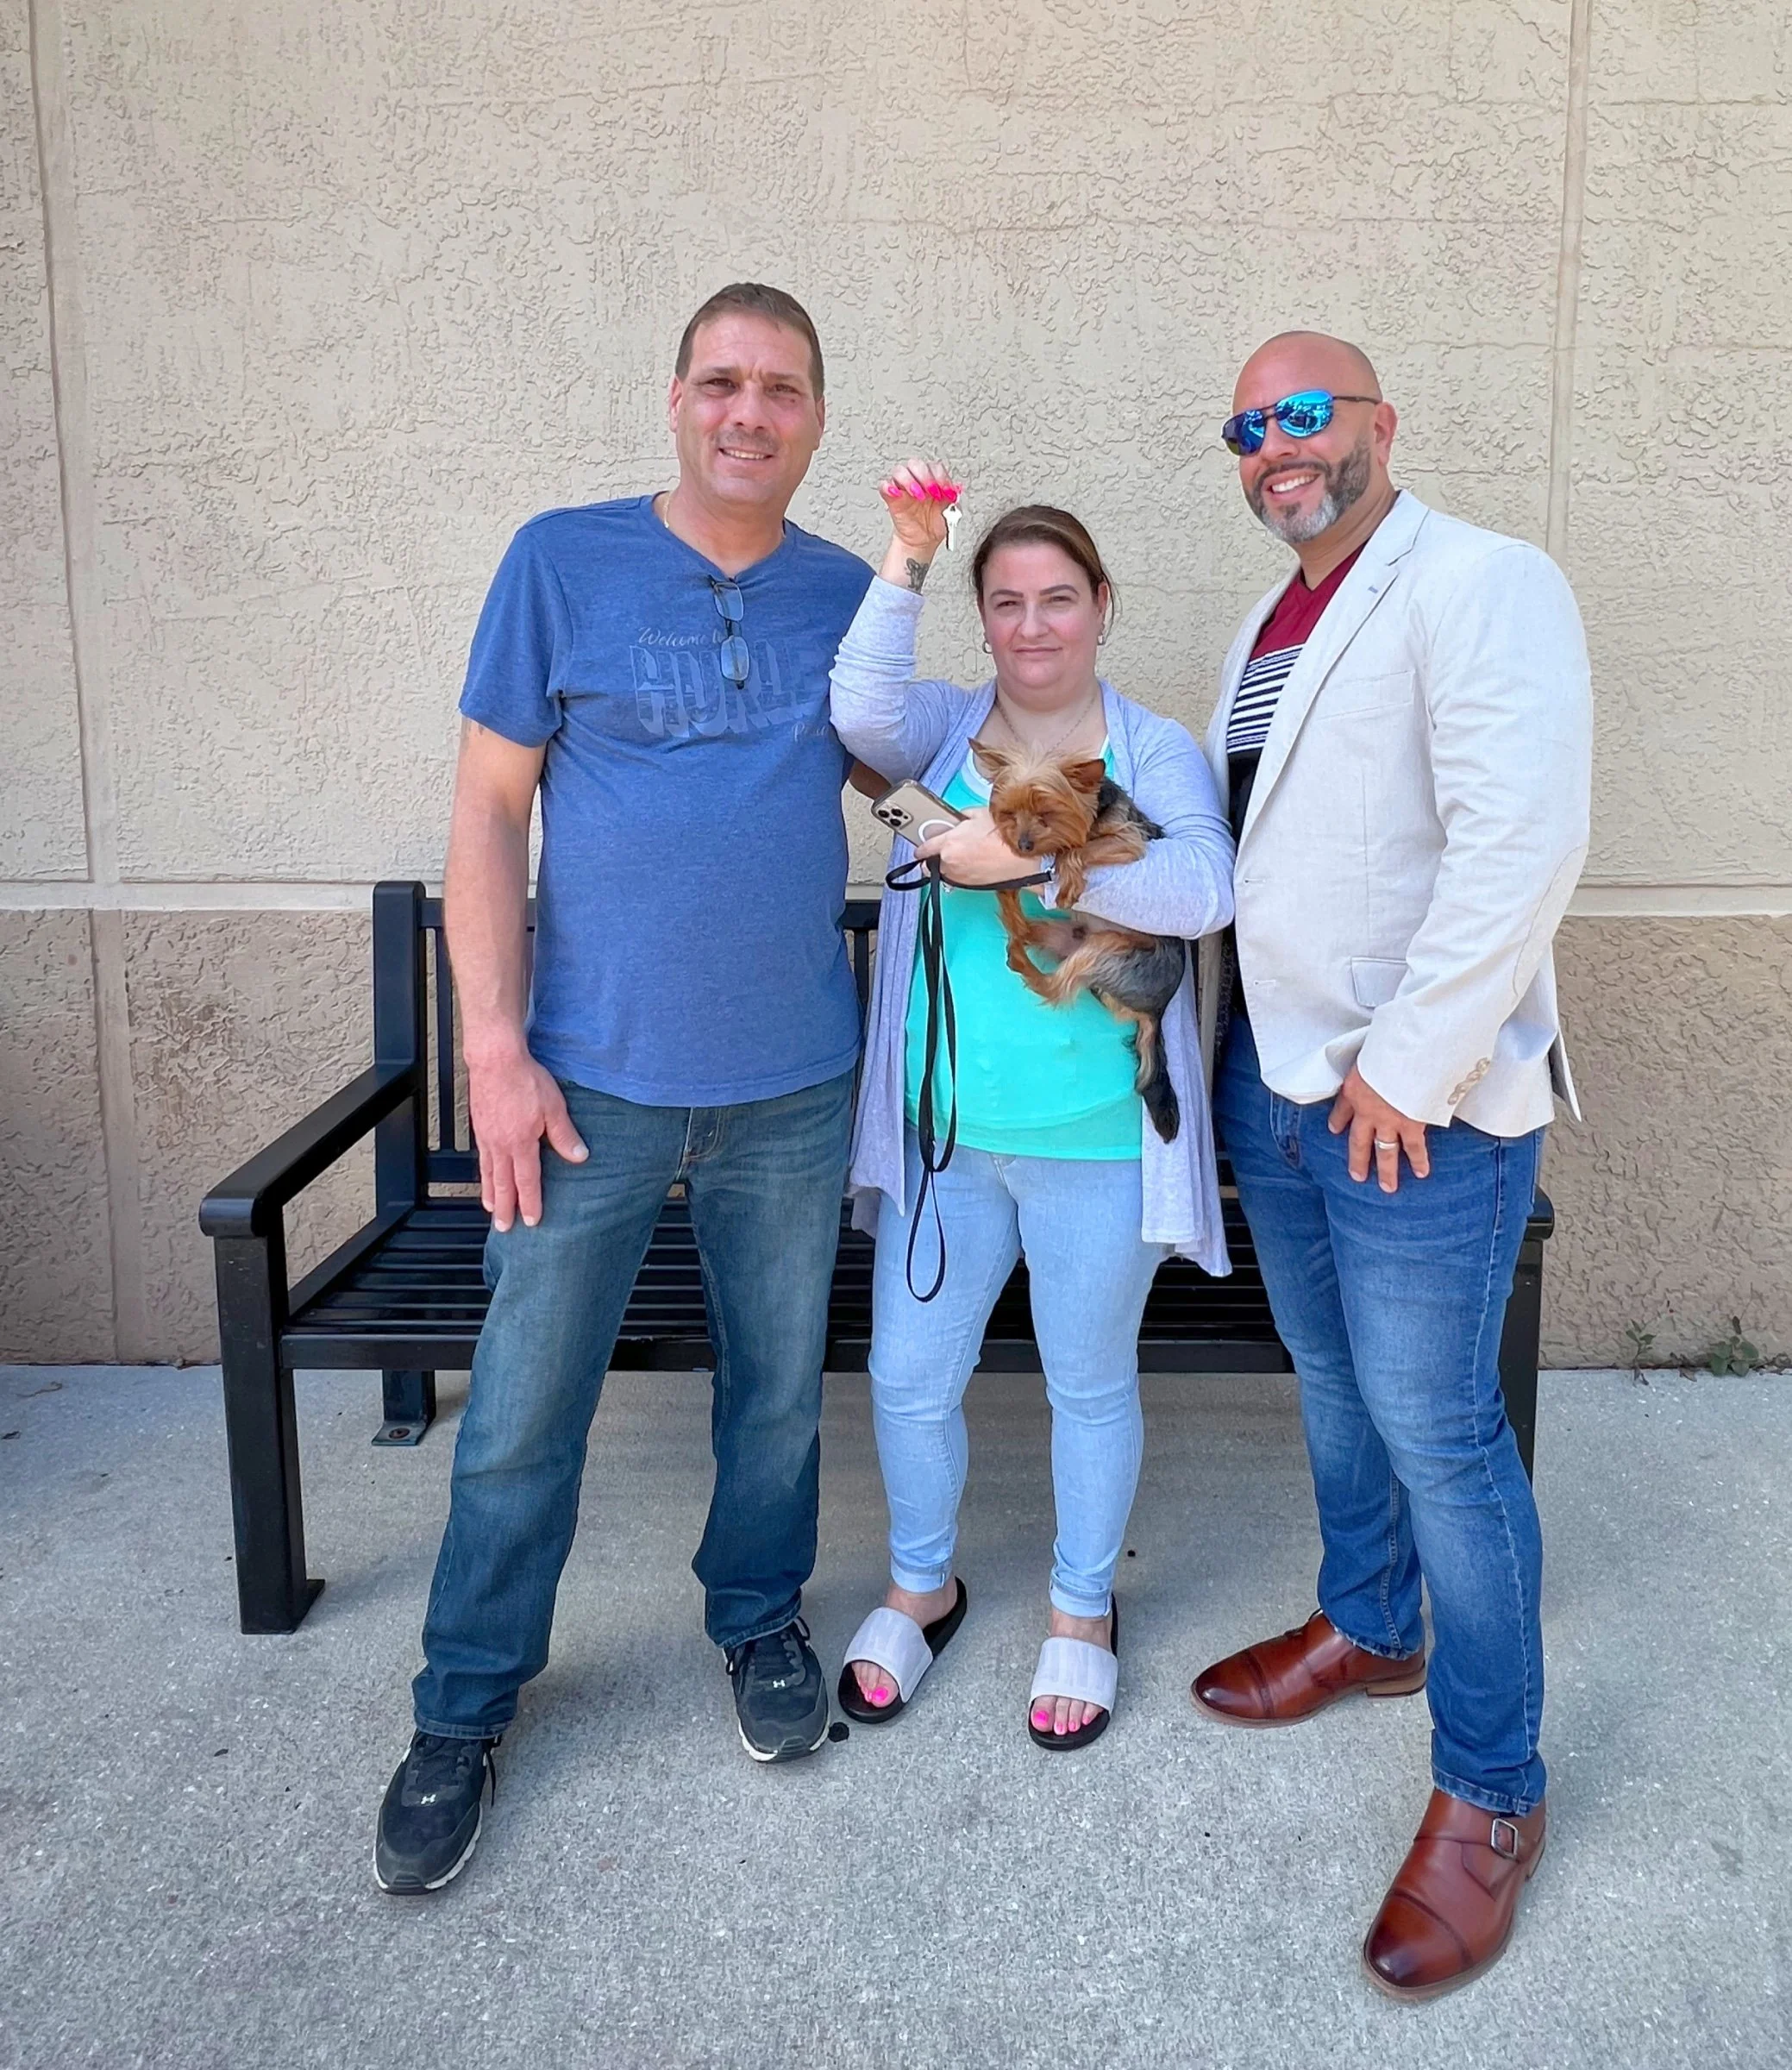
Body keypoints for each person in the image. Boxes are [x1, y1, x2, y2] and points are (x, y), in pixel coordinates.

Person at [373, 284, 874, 1896]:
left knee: (779, 1392)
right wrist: (495, 1051)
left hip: (794, 1080)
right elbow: (485, 811)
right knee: (523, 1410)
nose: (749, 411)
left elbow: (921, 771)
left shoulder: (849, 595)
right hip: (585, 1082)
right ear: (675, 399)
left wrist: (1082, 795)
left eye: (781, 389)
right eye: (722, 381)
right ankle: (462, 1704)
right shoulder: (560, 559)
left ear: (812, 419)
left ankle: (758, 1622)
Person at [1190, 332, 1592, 1996]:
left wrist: (1405, 1068)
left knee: (1443, 1436)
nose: (1279, 445)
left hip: (1404, 1106)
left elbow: (1521, 840)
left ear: (1378, 426)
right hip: (1274, 1088)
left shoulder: (1482, 580)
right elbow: (1254, 841)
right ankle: (1370, 1622)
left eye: (1308, 414)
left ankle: (1493, 1787)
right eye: (1248, 426)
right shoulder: (1264, 627)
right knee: (1337, 1391)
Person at [830, 464, 1234, 1749]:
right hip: (946, 1137)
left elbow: (1209, 884)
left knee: (1088, 1385)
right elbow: (855, 705)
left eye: (1058, 598)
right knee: (906, 1380)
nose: (1032, 625)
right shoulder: (943, 731)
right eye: (1003, 602)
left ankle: (1079, 1611)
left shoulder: (1152, 746)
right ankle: (920, 1585)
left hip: (1096, 1142)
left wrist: (1026, 853)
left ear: (1100, 606)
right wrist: (904, 560)